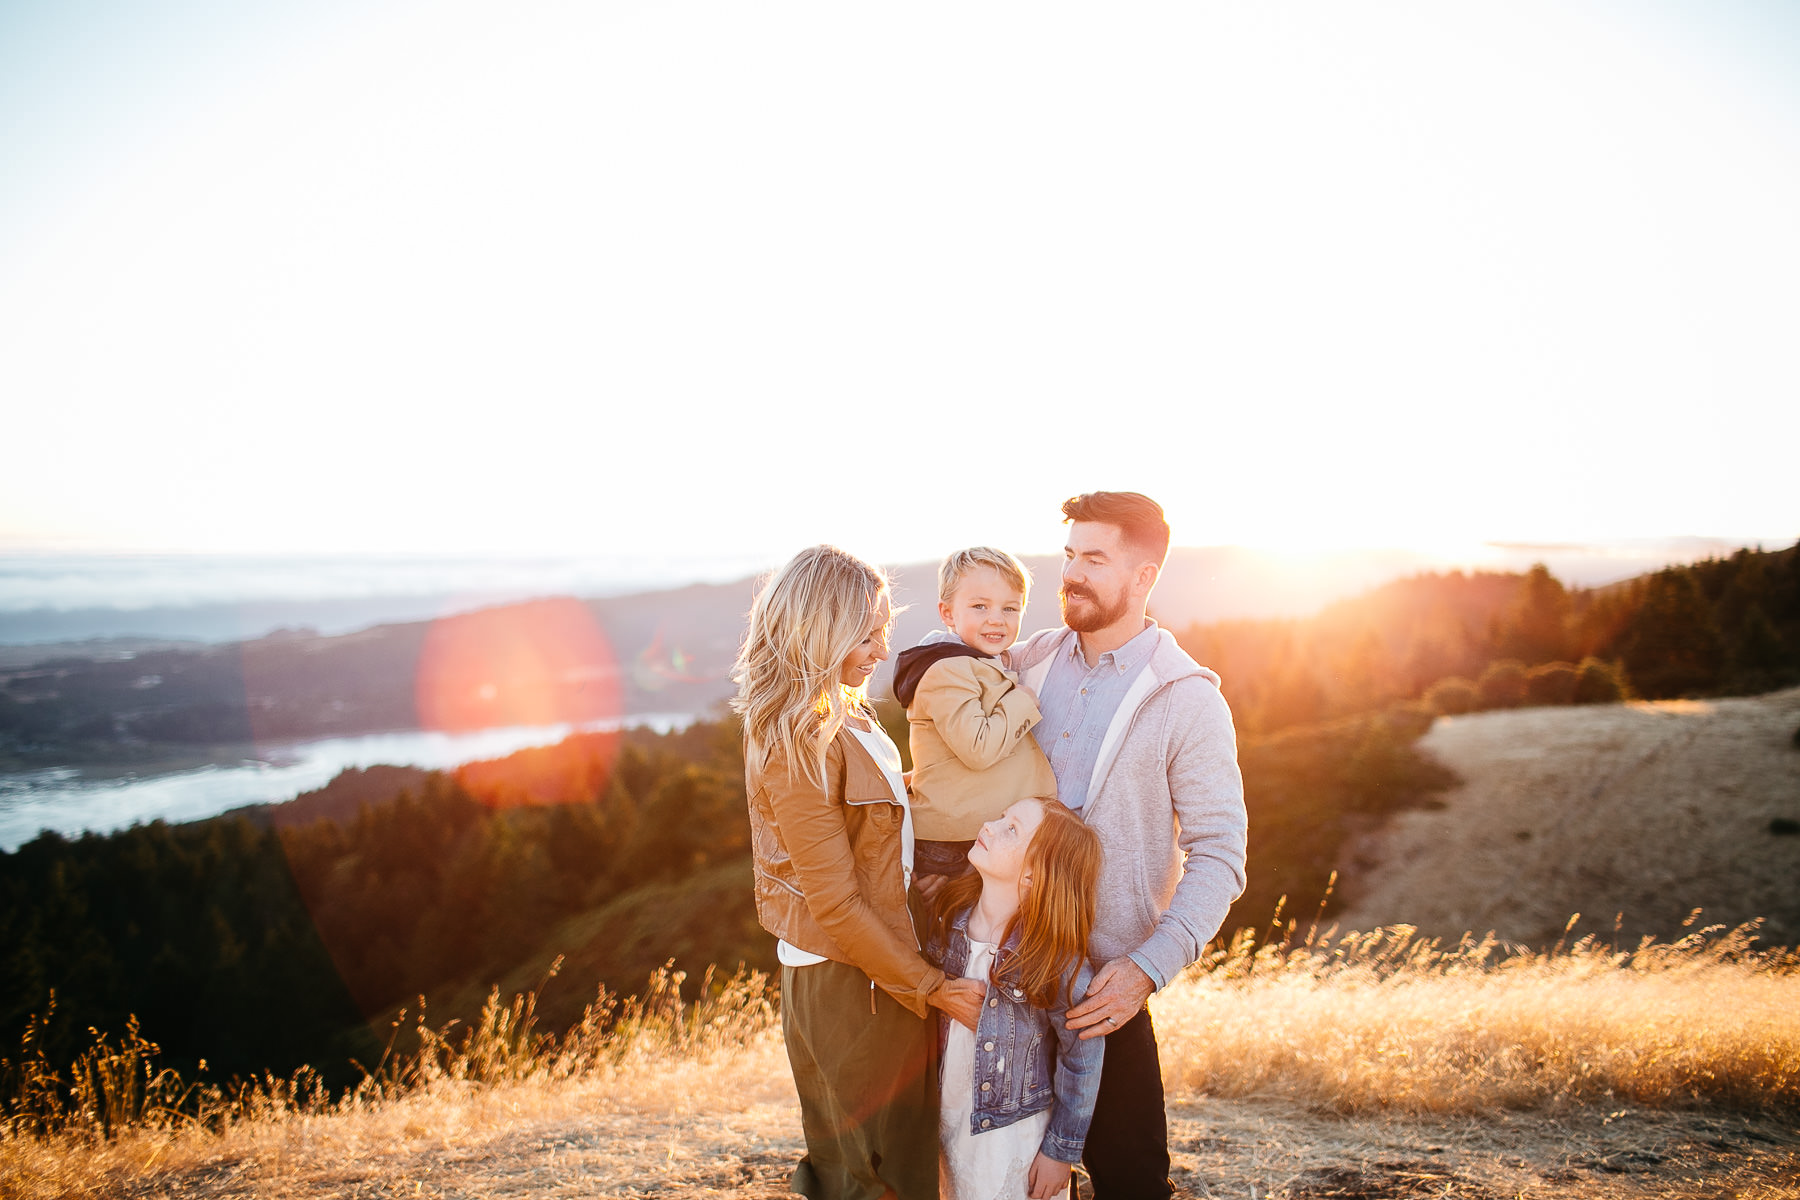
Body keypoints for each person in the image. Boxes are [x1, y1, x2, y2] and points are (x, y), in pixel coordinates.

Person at [1009, 492, 1248, 1200]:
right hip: (1001, 975)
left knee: (1134, 1182)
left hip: (1103, 991)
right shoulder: (1024, 664)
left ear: (1144, 578)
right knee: (993, 1178)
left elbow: (1220, 854)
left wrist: (1147, 967)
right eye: (1069, 556)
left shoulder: (1187, 698)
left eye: (1094, 559)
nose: (1072, 575)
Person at [734, 544, 985, 1200]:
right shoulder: (798, 739)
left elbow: (869, 829)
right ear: (822, 630)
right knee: (875, 1175)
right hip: (854, 986)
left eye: (883, 630)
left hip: (878, 972)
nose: (881, 648)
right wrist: (932, 987)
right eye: (866, 634)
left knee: (891, 1161)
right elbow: (836, 904)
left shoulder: (848, 713)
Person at [928, 797, 1104, 1200]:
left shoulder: (1054, 958)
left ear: (1032, 876)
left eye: (1012, 830)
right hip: (944, 1121)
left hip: (1011, 1135)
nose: (989, 824)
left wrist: (1061, 1151)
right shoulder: (945, 919)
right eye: (1001, 817)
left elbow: (1082, 1057)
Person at [892, 546, 1059, 880]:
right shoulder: (946, 671)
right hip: (955, 840)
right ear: (948, 613)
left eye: (1010, 608)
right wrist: (1022, 701)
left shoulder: (973, 663)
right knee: (960, 926)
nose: (996, 618)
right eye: (980, 606)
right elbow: (978, 748)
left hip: (973, 830)